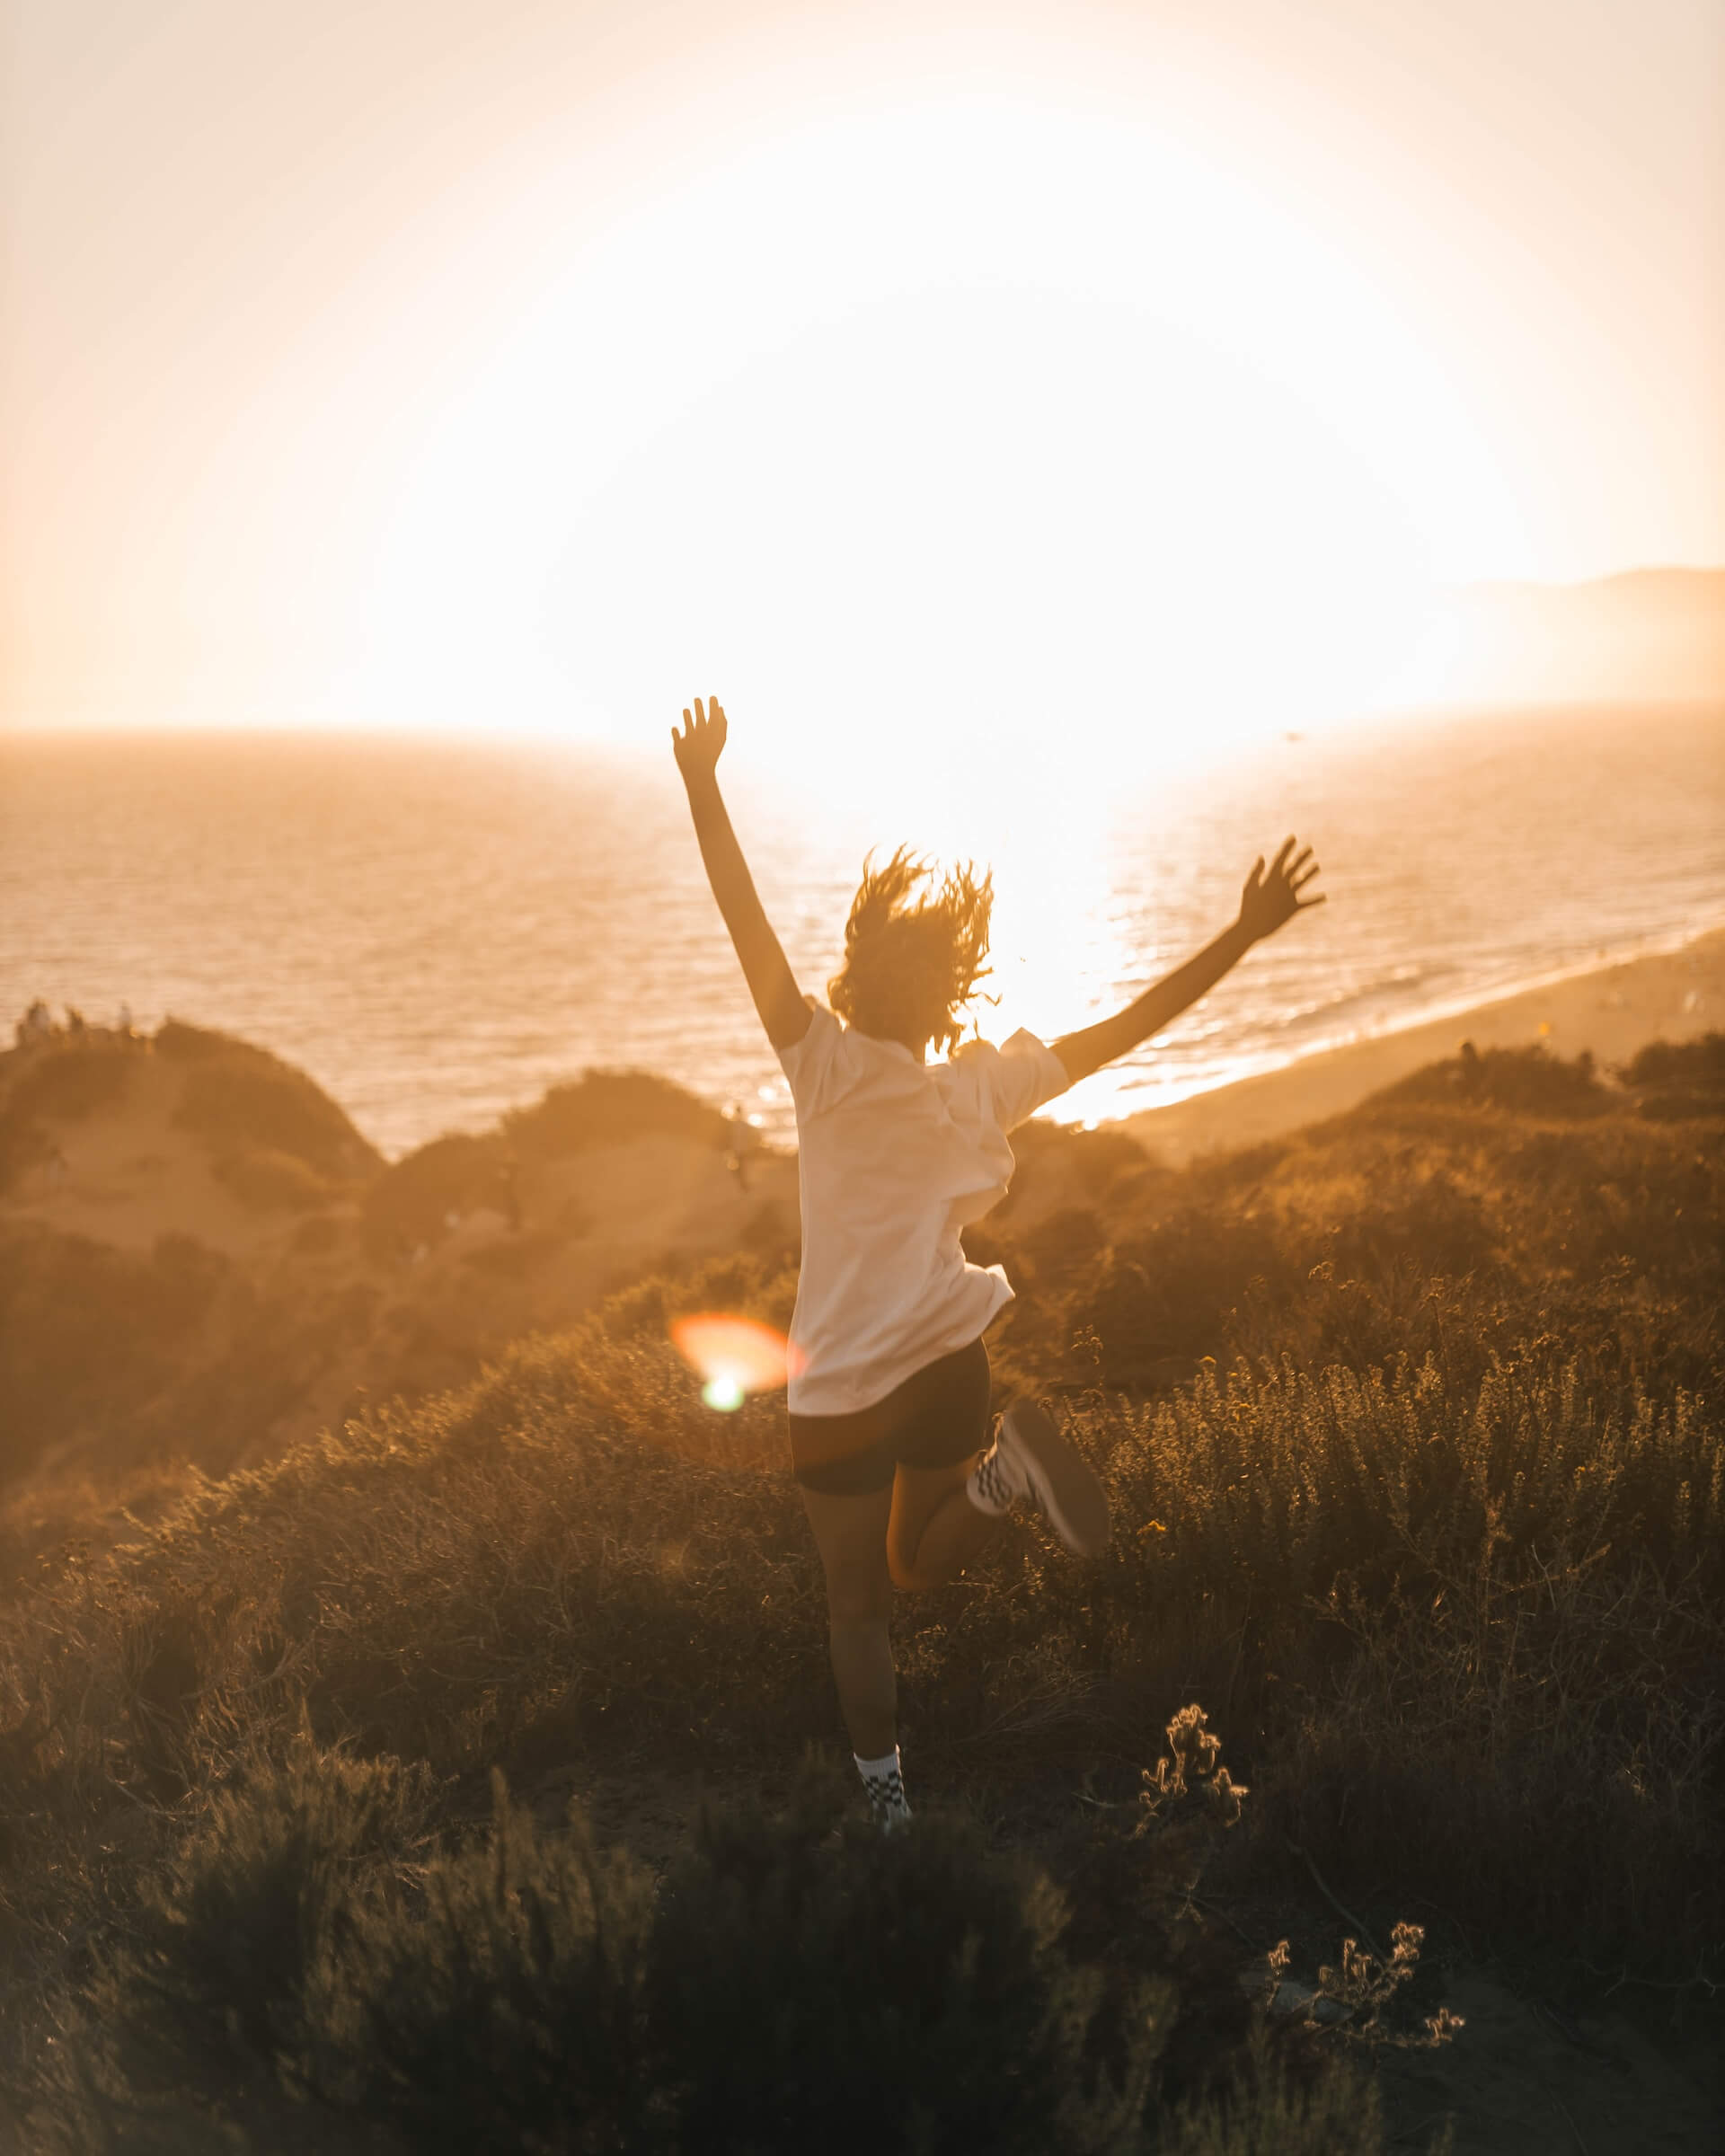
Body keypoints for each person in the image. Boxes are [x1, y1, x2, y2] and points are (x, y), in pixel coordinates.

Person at [672, 694, 1323, 1828]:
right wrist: (1241, 933)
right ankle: (1004, 1475)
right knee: (921, 1565)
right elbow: (1129, 1028)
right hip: (948, 1363)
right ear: (950, 991)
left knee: (858, 1604)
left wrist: (703, 785)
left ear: (854, 975)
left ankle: (888, 1815)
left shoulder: (820, 1066)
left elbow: (745, 924)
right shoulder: (981, 1087)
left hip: (836, 1388)